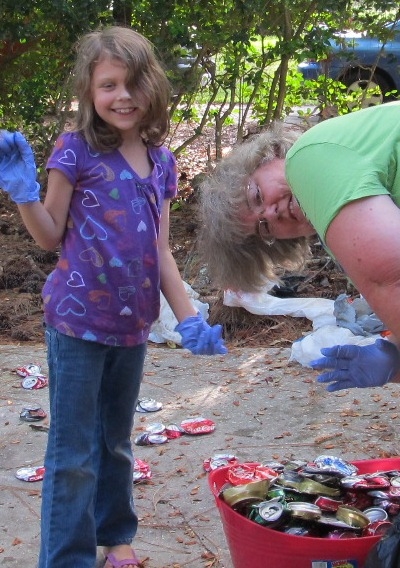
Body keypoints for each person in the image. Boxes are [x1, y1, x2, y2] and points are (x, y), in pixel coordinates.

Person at [0, 26, 227, 568]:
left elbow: (161, 250)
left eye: (133, 84)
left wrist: (188, 318)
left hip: (133, 327)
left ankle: (116, 536)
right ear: (89, 91)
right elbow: (50, 235)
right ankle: (67, 558)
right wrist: (24, 193)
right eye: (108, 85)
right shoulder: (74, 149)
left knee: (116, 442)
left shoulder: (162, 161)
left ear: (153, 87)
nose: (122, 96)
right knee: (74, 453)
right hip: (76, 323)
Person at [199, 101, 400, 393]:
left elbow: (391, 277)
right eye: (264, 228)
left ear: (270, 156)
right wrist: (394, 354)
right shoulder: (338, 227)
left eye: (257, 196)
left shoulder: (307, 157)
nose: (271, 214)